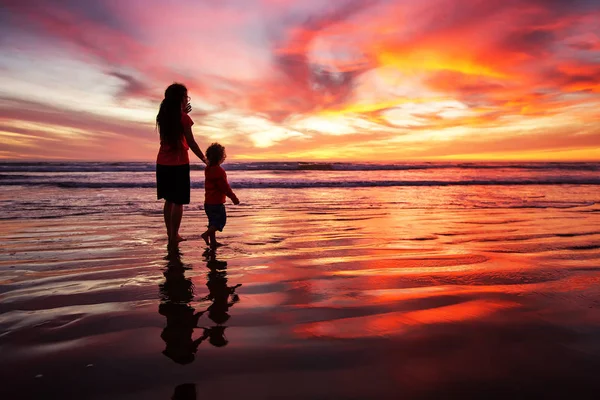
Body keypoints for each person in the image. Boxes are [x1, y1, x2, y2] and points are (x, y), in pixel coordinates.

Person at [156, 83, 207, 249]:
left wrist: (183, 111)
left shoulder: (162, 116)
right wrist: (204, 159)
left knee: (169, 200)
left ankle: (170, 234)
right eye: (186, 97)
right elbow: (191, 142)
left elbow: (172, 129)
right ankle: (175, 235)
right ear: (180, 98)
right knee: (178, 201)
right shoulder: (184, 118)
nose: (187, 99)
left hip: (162, 162)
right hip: (179, 163)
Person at [201, 143, 239, 248]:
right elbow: (225, 187)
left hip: (208, 202)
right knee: (220, 221)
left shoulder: (208, 169)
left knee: (212, 222)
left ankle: (213, 242)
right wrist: (233, 198)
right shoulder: (219, 171)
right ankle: (206, 234)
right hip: (216, 203)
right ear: (220, 157)